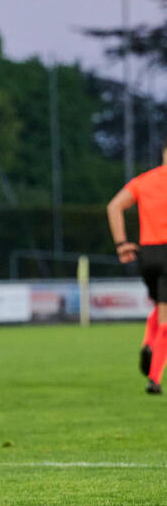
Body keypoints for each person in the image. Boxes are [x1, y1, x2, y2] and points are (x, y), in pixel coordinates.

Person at [107, 137, 167, 394]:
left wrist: (122, 244)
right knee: (166, 317)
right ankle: (154, 378)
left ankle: (147, 342)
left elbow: (114, 206)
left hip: (147, 254)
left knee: (160, 305)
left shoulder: (144, 181)